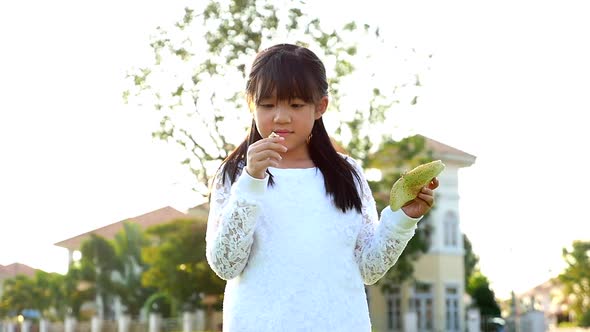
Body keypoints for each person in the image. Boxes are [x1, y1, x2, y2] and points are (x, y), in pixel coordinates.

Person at [205, 43, 439, 332]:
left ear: (321, 107)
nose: (281, 116)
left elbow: (369, 267)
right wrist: (252, 180)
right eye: (267, 104)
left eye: (296, 104)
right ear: (250, 103)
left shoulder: (347, 174)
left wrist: (404, 218)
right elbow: (226, 264)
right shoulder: (235, 175)